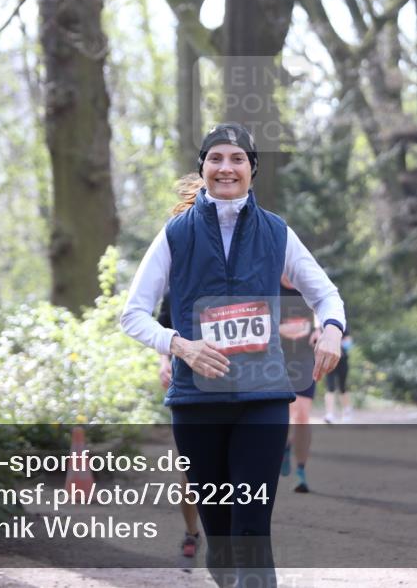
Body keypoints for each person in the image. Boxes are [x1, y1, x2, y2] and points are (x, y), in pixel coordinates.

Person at [120, 123, 345, 588]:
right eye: (216, 158)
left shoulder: (276, 232)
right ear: (202, 168)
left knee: (251, 527)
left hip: (262, 397)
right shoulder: (176, 235)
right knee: (221, 538)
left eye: (237, 159)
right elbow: (133, 315)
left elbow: (327, 296)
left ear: (252, 170)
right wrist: (180, 345)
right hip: (197, 403)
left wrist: (330, 331)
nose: (226, 167)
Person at [156, 291, 202, 558]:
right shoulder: (177, 285)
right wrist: (164, 363)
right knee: (189, 468)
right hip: (189, 385)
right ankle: (191, 531)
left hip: (241, 386)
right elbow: (162, 328)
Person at [278, 274, 320, 493]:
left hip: (304, 360)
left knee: (302, 414)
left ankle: (301, 472)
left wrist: (320, 330)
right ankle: (284, 445)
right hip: (275, 360)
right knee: (283, 414)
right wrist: (279, 330)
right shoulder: (268, 284)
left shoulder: (308, 286)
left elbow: (324, 308)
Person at [323, 327, 353, 423]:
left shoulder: (342, 325)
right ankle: (330, 414)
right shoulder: (322, 326)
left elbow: (348, 343)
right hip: (329, 361)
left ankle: (346, 411)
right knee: (330, 387)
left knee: (342, 387)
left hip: (342, 361)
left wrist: (337, 344)